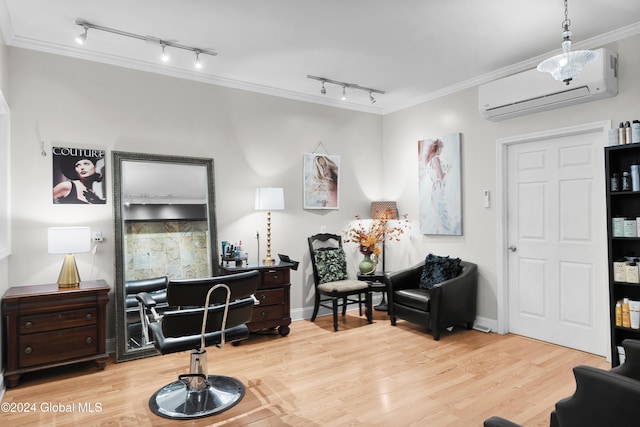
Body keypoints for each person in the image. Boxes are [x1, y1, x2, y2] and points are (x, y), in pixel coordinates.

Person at [425, 139, 453, 233]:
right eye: (441, 148)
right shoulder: (436, 158)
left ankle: (441, 231)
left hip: (434, 189)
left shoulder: (429, 162)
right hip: (438, 188)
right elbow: (441, 176)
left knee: (438, 212)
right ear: (438, 148)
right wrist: (448, 170)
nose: (442, 151)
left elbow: (433, 178)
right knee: (442, 211)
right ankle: (445, 230)